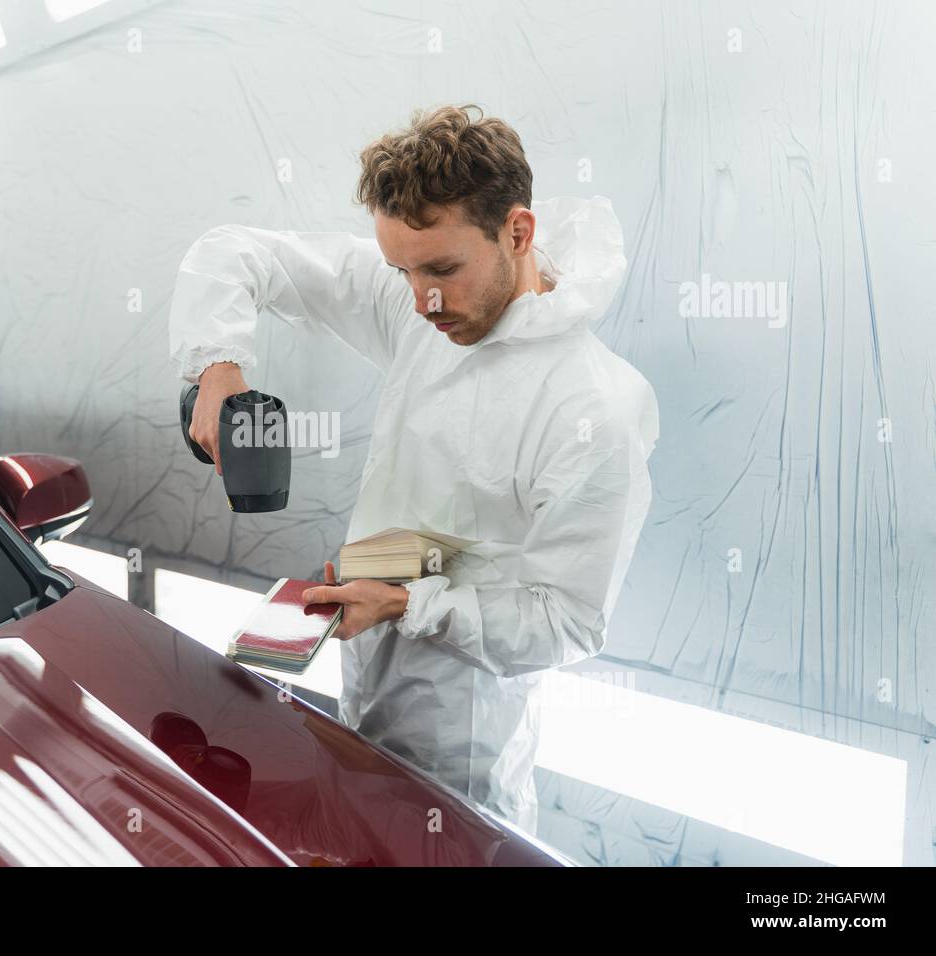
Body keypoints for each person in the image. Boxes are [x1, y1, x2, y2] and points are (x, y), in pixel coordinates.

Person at [168, 104, 659, 836]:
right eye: (401, 271)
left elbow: (568, 622)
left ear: (518, 232)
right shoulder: (421, 305)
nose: (423, 299)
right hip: (365, 692)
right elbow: (234, 252)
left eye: (442, 270)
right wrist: (218, 365)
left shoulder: (594, 408)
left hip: (465, 750)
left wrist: (410, 605)